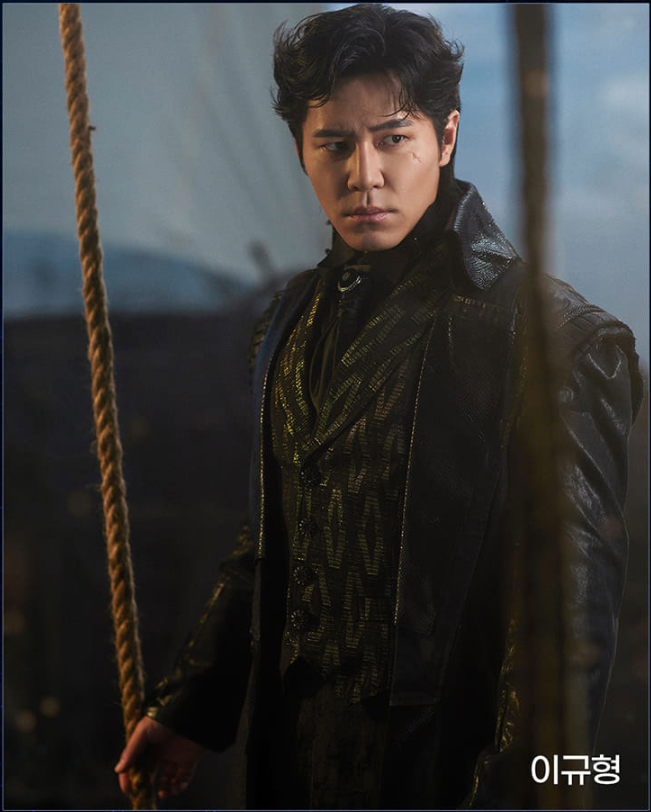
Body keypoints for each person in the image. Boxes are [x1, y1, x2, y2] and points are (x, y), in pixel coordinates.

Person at [115, 4, 642, 808]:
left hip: (441, 777)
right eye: (334, 144)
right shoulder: (291, 320)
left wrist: (519, 795)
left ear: (445, 136)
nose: (364, 174)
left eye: (393, 138)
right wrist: (189, 707)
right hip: (293, 766)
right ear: (300, 150)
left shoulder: (556, 342)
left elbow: (565, 625)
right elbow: (272, 541)